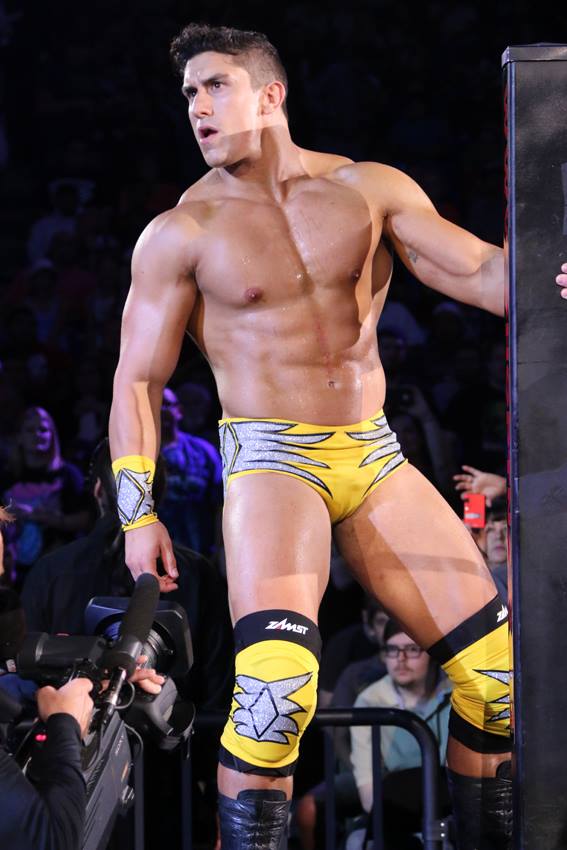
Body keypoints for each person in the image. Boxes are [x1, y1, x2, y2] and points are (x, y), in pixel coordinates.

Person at [108, 22, 567, 849]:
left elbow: (482, 274)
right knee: (274, 695)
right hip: (272, 461)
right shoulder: (182, 232)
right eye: (188, 94)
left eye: (214, 86)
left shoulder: (367, 190)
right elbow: (136, 381)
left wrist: (550, 272)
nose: (197, 107)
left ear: (270, 95)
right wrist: (137, 515)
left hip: (373, 453)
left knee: (498, 680)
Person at [349, 620, 452, 850]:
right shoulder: (369, 701)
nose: (400, 659)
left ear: (431, 653)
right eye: (392, 650)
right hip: (395, 810)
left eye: (412, 649)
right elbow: (368, 791)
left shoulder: (457, 692)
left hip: (450, 805)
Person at [1, 406, 90, 586]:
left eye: (43, 429)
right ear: (20, 437)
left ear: (52, 435)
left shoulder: (69, 475)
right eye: (30, 430)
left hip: (59, 569)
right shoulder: (7, 476)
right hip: (15, 571)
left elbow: (87, 519)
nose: (37, 435)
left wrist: (44, 517)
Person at [159, 385, 222, 555]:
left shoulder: (204, 451)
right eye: (156, 404)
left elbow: (220, 503)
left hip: (199, 550)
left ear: (179, 410)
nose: (161, 410)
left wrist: (220, 548)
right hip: (158, 552)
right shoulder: (140, 453)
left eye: (166, 404)